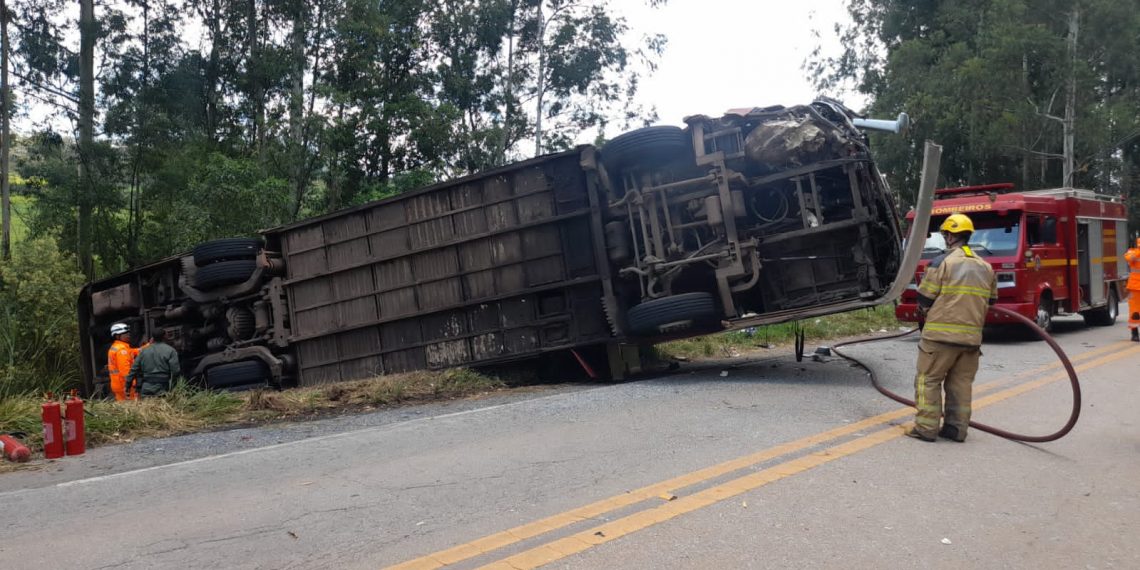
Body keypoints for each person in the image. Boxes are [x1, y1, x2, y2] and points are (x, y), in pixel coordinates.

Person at [908, 213, 997, 442]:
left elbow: (924, 299)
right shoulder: (986, 266)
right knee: (961, 385)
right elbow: (992, 300)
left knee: (928, 380)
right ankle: (956, 430)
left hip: (939, 338)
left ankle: (926, 429)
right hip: (971, 341)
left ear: (948, 236)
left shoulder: (941, 262)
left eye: (945, 233)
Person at [128, 328, 182, 396]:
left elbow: (134, 369)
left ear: (152, 338)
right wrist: (173, 386)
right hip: (162, 388)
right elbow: (175, 371)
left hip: (146, 387)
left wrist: (128, 385)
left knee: (147, 406)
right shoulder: (171, 351)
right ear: (165, 336)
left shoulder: (143, 351)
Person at [106, 323, 139, 401]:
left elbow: (133, 351)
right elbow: (125, 371)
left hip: (118, 384)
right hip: (124, 385)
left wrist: (148, 346)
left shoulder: (117, 347)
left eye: (128, 333)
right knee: (132, 408)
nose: (128, 335)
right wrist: (132, 384)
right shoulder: (121, 350)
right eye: (125, 334)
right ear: (117, 336)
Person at [1126, 237, 1140, 342]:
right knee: (1135, 312)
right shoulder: (1132, 252)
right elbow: (1130, 258)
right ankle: (1134, 333)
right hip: (1135, 288)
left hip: (1135, 287)